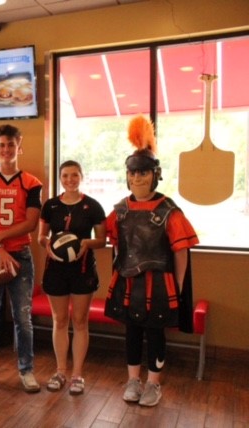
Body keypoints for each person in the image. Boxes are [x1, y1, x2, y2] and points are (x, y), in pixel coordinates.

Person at [104, 115, 198, 407]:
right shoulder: (119, 209)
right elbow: (113, 242)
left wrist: (179, 286)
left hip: (159, 282)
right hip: (129, 281)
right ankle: (133, 380)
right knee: (131, 331)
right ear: (127, 175)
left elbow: (181, 252)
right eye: (133, 173)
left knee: (155, 332)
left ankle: (153, 384)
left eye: (143, 173)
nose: (137, 178)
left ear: (155, 174)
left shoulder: (170, 210)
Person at [0, 124, 42, 392]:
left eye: (11, 145)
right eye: (2, 145)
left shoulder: (32, 183)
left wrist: (1, 239)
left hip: (20, 256)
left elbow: (31, 223)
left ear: (18, 146)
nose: (6, 150)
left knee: (23, 317)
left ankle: (26, 369)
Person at [38, 160, 106, 395]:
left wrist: (86, 242)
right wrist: (47, 245)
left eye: (74, 175)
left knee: (79, 321)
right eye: (65, 175)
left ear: (81, 177)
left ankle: (77, 375)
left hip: (83, 270)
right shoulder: (51, 205)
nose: (70, 179)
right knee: (59, 320)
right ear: (60, 178)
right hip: (55, 270)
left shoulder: (93, 206)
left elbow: (102, 240)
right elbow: (41, 237)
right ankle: (60, 371)